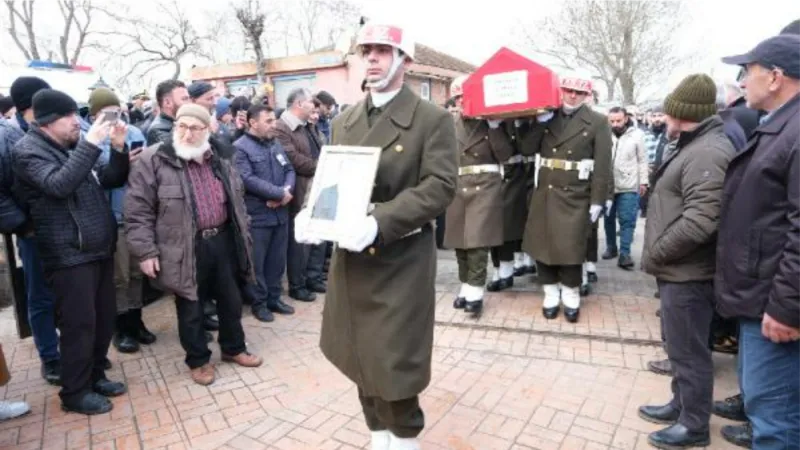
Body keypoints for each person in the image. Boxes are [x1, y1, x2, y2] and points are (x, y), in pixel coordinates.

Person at [294, 22, 457, 450]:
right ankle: (377, 433)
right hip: (353, 259)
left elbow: (440, 186)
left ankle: (404, 437)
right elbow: (332, 175)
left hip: (400, 257)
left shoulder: (432, 119)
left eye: (383, 50)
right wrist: (312, 213)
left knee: (395, 359)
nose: (371, 58)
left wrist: (380, 221)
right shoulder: (346, 119)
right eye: (366, 50)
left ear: (405, 61)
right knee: (359, 351)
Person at [125, 104, 262, 386]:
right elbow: (137, 211)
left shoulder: (221, 156)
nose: (187, 134)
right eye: (181, 127)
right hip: (184, 244)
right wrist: (146, 251)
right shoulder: (154, 159)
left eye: (194, 128)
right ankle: (198, 360)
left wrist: (244, 228)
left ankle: (234, 348)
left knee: (231, 298)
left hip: (224, 239)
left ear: (207, 130)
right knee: (191, 305)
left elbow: (237, 197)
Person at [14, 89, 130, 415]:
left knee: (103, 319)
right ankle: (74, 393)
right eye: (70, 117)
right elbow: (59, 185)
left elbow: (110, 178)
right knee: (79, 326)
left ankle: (94, 375)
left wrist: (118, 149)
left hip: (97, 248)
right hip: (68, 253)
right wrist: (92, 142)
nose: (77, 122)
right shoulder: (28, 152)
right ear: (48, 121)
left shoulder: (71, 146)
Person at [639, 74, 734, 449]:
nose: (663, 115)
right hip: (678, 270)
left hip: (689, 273)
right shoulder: (692, 144)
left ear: (682, 113)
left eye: (669, 109)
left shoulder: (708, 151)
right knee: (679, 347)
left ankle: (693, 425)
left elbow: (701, 221)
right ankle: (680, 404)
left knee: (691, 352)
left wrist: (657, 252)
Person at [717, 34, 800, 449]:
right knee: (767, 411)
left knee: (776, 422)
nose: (742, 81)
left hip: (775, 307)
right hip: (761, 297)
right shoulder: (780, 126)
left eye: (747, 72)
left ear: (776, 78)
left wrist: (787, 308)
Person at [521, 72, 613, 323]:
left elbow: (603, 164)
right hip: (547, 192)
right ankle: (550, 292)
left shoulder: (597, 121)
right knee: (543, 244)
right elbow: (527, 149)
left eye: (579, 92)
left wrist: (598, 199)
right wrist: (540, 123)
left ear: (587, 95)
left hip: (576, 194)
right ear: (560, 90)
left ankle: (571, 294)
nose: (572, 95)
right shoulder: (546, 115)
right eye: (568, 90)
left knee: (571, 247)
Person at [0, 77, 64, 384]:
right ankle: (50, 356)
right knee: (39, 296)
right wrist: (22, 225)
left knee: (67, 292)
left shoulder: (53, 131)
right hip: (32, 233)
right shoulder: (7, 138)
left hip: (63, 229)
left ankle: (75, 349)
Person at [83, 88, 155, 355]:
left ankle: (136, 321)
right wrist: (120, 157)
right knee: (119, 276)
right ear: (94, 116)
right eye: (107, 112)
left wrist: (140, 163)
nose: (115, 117)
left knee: (138, 272)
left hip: (137, 212)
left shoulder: (134, 133)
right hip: (112, 215)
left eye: (117, 110)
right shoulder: (90, 139)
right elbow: (102, 175)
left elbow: (148, 167)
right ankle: (121, 327)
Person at [444, 88, 513, 314]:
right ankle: (465, 284)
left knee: (477, 241)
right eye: (458, 98)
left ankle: (475, 290)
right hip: (457, 184)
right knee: (459, 242)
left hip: (485, 185)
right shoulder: (448, 124)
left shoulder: (492, 122)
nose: (462, 101)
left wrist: (494, 128)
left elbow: (505, 155)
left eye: (466, 96)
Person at [234, 104, 296, 322]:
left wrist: (285, 192)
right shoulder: (240, 148)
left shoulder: (274, 143)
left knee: (277, 262)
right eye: (268, 121)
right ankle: (259, 303)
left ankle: (274, 298)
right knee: (257, 264)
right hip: (258, 216)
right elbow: (247, 179)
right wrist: (279, 193)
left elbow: (289, 169)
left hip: (280, 214)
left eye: (274, 120)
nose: (274, 125)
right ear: (253, 123)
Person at [603, 106, 648, 270]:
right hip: (608, 184)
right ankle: (611, 247)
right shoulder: (604, 134)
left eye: (618, 120)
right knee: (608, 218)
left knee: (627, 220)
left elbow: (642, 160)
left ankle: (625, 253)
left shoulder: (637, 135)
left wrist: (643, 181)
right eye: (612, 121)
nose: (615, 124)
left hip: (629, 184)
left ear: (626, 119)